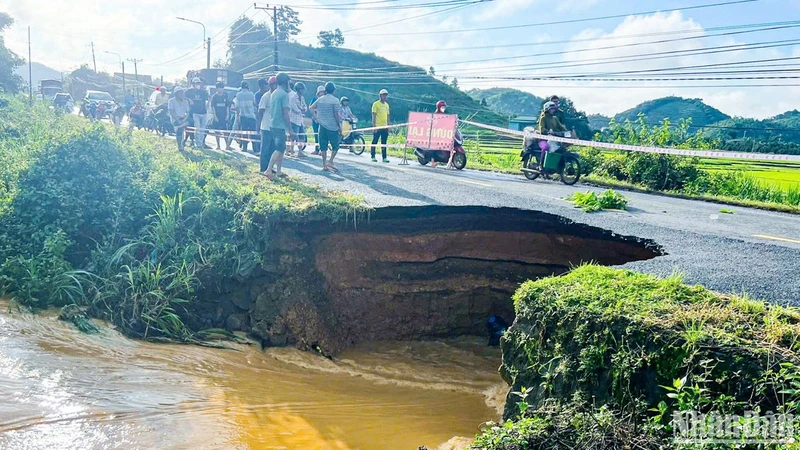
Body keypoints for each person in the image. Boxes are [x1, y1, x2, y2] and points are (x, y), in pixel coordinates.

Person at [263, 73, 296, 181]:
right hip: (279, 125)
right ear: (286, 82)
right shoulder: (284, 94)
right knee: (279, 148)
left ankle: (278, 171)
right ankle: (268, 170)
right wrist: (290, 129)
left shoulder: (274, 93)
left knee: (281, 149)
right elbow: (285, 113)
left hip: (273, 124)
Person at [310, 81, 343, 172]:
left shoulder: (320, 99)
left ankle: (324, 164)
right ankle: (331, 161)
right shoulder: (335, 100)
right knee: (335, 146)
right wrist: (340, 127)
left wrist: (316, 117)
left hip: (322, 126)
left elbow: (311, 107)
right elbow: (336, 115)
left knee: (323, 146)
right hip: (332, 127)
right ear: (333, 90)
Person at [537, 101, 567, 170]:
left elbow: (561, 127)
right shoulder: (543, 118)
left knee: (561, 149)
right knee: (545, 147)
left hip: (554, 139)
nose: (553, 110)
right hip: (543, 139)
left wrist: (567, 131)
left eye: (554, 108)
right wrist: (548, 132)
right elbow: (541, 129)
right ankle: (540, 164)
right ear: (547, 109)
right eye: (552, 109)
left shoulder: (555, 118)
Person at [430, 100, 459, 169]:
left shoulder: (444, 114)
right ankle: (432, 161)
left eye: (444, 107)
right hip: (436, 133)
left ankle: (449, 160)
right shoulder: (436, 114)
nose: (444, 108)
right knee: (434, 146)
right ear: (439, 107)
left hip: (443, 133)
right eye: (442, 107)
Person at [258, 76, 277, 174]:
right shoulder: (266, 97)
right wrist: (258, 126)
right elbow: (260, 112)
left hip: (275, 127)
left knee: (272, 149)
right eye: (274, 84)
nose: (276, 86)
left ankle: (269, 168)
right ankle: (262, 168)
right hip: (266, 127)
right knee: (264, 149)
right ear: (270, 85)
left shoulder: (278, 96)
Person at [185, 77, 210, 149]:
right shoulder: (189, 91)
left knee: (202, 129)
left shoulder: (203, 92)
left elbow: (209, 98)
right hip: (195, 113)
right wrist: (189, 100)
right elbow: (183, 96)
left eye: (199, 83)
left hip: (203, 112)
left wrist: (208, 103)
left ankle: (201, 143)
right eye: (196, 83)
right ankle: (197, 144)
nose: (198, 85)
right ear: (193, 84)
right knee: (197, 128)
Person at [234, 81, 257, 153]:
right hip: (251, 116)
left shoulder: (238, 95)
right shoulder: (251, 94)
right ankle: (255, 149)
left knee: (244, 132)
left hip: (243, 116)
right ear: (248, 87)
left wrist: (237, 116)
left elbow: (237, 107)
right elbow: (254, 104)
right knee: (253, 133)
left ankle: (244, 148)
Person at [288, 81, 308, 158]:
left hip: (300, 120)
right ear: (298, 89)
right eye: (302, 89)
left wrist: (302, 109)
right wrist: (301, 109)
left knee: (301, 136)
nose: (303, 91)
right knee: (293, 136)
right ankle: (291, 151)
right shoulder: (293, 98)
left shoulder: (302, 98)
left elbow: (305, 107)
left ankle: (300, 151)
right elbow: (295, 109)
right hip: (294, 120)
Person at [370, 88, 390, 163]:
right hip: (378, 126)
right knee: (375, 141)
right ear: (380, 96)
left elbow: (388, 116)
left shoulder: (387, 105)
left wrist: (388, 126)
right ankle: (373, 156)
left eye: (386, 95)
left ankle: (384, 157)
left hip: (385, 126)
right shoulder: (376, 104)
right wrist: (374, 126)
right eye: (383, 95)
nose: (385, 97)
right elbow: (374, 115)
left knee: (384, 142)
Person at [168, 88, 191, 152]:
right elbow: (171, 112)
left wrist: (184, 119)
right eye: (180, 93)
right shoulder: (171, 101)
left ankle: (184, 142)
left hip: (184, 118)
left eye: (182, 93)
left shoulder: (185, 102)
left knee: (190, 125)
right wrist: (178, 120)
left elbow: (188, 112)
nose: (182, 94)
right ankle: (180, 146)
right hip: (175, 119)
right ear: (176, 94)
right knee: (179, 130)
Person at [209, 82, 230, 150]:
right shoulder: (214, 97)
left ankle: (227, 146)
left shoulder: (225, 96)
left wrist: (227, 115)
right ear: (217, 88)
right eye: (220, 88)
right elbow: (213, 107)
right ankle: (218, 145)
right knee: (217, 131)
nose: (221, 89)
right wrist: (215, 116)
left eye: (222, 88)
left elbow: (227, 106)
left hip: (224, 116)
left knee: (225, 131)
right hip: (217, 116)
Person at [254, 78, 270, 154]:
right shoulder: (258, 95)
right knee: (259, 132)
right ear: (261, 86)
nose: (267, 86)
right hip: (260, 115)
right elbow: (258, 107)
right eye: (265, 84)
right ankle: (259, 149)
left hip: (268, 116)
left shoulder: (270, 94)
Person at [310, 85, 325, 155]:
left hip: (323, 120)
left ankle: (322, 150)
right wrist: (315, 116)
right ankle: (316, 149)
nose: (322, 93)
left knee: (323, 135)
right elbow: (310, 108)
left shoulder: (325, 100)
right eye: (320, 92)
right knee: (316, 134)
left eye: (323, 92)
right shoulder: (314, 99)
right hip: (315, 120)